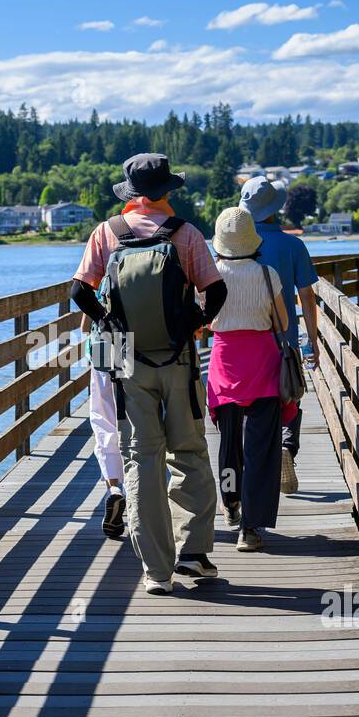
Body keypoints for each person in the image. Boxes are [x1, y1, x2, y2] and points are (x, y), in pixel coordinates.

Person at [71, 153, 228, 595]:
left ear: (131, 192)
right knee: (190, 452)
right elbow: (217, 290)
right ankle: (194, 552)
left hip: (125, 359)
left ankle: (157, 571)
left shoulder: (108, 232)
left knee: (142, 458)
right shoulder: (186, 234)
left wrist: (108, 320)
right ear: (167, 191)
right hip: (177, 358)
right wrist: (193, 324)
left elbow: (78, 290)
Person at [206, 207, 295, 552]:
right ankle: (251, 528)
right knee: (260, 448)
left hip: (225, 363)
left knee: (229, 444)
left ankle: (230, 503)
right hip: (262, 364)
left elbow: (202, 319)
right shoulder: (267, 274)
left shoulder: (210, 274)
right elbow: (283, 322)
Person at [240, 176, 319, 493]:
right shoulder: (293, 245)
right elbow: (308, 298)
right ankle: (287, 445)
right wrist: (312, 341)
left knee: (252, 404)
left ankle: (257, 467)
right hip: (284, 340)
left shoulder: (237, 246)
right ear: (276, 209)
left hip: (245, 342)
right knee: (291, 395)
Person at [81, 310, 125, 539]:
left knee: (102, 418)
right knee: (134, 416)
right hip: (137, 339)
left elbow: (82, 325)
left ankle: (114, 487)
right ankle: (141, 498)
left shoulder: (98, 271)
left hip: (102, 341)